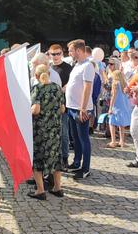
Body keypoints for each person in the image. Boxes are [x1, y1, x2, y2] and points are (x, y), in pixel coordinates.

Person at [28, 65, 66, 200]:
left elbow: (36, 110)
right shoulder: (57, 88)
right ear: (49, 73)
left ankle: (40, 190)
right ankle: (57, 187)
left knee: (38, 158)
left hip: (41, 129)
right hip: (55, 128)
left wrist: (28, 111)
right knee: (55, 157)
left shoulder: (37, 88)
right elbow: (62, 109)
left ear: (36, 76)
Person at [65, 39, 95, 180]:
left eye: (71, 50)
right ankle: (77, 162)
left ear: (78, 50)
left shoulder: (88, 66)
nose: (69, 53)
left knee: (83, 139)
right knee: (75, 138)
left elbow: (87, 87)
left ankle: (85, 168)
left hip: (80, 108)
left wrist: (83, 108)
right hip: (71, 107)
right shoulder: (77, 65)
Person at [48, 44, 73, 169]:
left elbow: (72, 82)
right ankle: (52, 158)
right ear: (49, 54)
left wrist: (64, 88)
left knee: (63, 132)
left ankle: (64, 158)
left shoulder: (68, 68)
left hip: (62, 104)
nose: (56, 56)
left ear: (62, 54)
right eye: (53, 54)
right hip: (49, 106)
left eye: (58, 53)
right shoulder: (48, 67)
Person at [107, 69, 132, 148]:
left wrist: (110, 108)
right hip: (124, 106)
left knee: (112, 123)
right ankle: (122, 141)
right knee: (122, 125)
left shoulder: (115, 83)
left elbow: (113, 96)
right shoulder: (124, 83)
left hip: (116, 106)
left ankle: (113, 141)